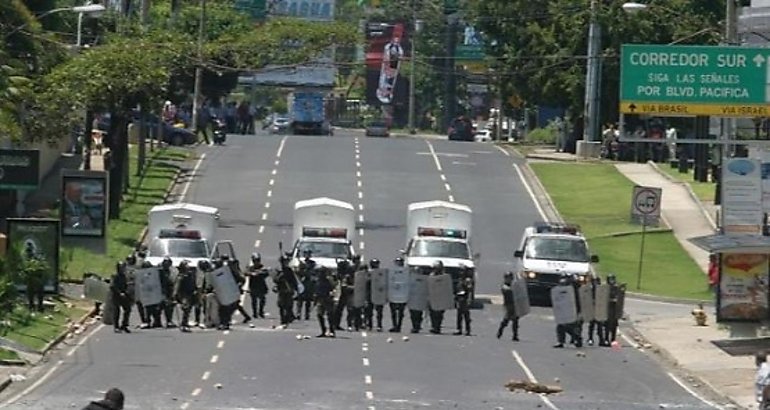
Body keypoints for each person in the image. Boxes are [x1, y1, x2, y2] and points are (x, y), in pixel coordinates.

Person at [174, 260, 198, 332]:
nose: (188, 267)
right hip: (183, 294)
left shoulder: (191, 275)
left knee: (188, 309)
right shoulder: (180, 276)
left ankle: (185, 323)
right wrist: (175, 295)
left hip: (190, 294)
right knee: (186, 308)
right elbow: (177, 286)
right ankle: (184, 324)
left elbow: (194, 283)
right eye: (186, 265)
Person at [273, 256, 297, 327]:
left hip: (288, 290)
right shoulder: (279, 271)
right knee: (281, 305)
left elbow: (293, 280)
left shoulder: (289, 271)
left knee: (288, 306)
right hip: (281, 290)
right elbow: (275, 279)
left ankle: (288, 318)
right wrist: (280, 277)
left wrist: (295, 289)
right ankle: (282, 319)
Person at [314, 266, 337, 338]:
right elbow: (316, 291)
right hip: (320, 299)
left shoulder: (328, 280)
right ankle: (323, 330)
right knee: (319, 315)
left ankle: (332, 331)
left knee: (330, 316)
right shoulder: (318, 281)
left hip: (327, 299)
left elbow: (334, 287)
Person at [110, 262, 132, 333]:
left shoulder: (124, 276)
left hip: (123, 295)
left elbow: (125, 285)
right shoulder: (115, 276)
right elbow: (112, 286)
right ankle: (116, 327)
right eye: (122, 268)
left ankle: (124, 325)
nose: (123, 269)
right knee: (117, 310)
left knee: (128, 309)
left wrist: (126, 292)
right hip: (116, 296)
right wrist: (119, 292)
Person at [497, 272, 519, 341]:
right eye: (508, 278)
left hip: (514, 304)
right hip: (508, 305)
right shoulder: (505, 286)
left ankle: (515, 335)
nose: (509, 280)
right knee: (506, 319)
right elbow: (507, 290)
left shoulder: (513, 285)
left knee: (515, 320)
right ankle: (500, 331)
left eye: (510, 278)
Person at [364, 259, 385, 331]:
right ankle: (369, 324)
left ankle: (379, 325)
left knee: (379, 311)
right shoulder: (368, 273)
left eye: (376, 264)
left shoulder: (381, 272)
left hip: (378, 293)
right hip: (370, 293)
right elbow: (365, 282)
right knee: (369, 311)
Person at [247, 253, 269, 319]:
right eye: (255, 260)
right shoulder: (251, 268)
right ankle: (254, 313)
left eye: (257, 260)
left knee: (262, 299)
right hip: (253, 286)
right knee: (254, 300)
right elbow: (246, 272)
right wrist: (252, 273)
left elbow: (266, 273)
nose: (256, 262)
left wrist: (260, 273)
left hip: (261, 286)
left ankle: (261, 312)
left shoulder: (262, 267)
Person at [388, 257, 407, 333]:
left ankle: (399, 326)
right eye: (397, 262)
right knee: (393, 311)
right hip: (393, 293)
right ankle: (394, 325)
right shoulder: (392, 271)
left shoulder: (406, 271)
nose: (399, 263)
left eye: (400, 262)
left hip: (402, 293)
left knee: (401, 312)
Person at [604, 274, 623, 346]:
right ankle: (606, 338)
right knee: (607, 324)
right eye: (610, 279)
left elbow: (619, 297)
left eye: (612, 279)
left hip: (614, 308)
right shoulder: (605, 288)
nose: (611, 281)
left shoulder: (616, 288)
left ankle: (613, 339)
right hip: (607, 308)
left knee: (614, 324)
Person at [296, 253, 316, 321]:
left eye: (308, 255)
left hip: (309, 284)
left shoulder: (312, 263)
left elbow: (312, 272)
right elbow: (298, 272)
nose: (307, 256)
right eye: (306, 255)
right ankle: (298, 313)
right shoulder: (301, 263)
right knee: (300, 299)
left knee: (308, 300)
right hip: (302, 283)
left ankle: (307, 314)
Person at [586, 277, 605, 346]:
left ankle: (601, 339)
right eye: (594, 282)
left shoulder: (601, 290)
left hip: (599, 309)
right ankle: (590, 338)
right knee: (592, 325)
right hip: (592, 309)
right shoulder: (590, 290)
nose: (596, 284)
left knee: (599, 325)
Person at [454, 268, 473, 336]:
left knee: (466, 315)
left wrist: (469, 299)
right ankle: (459, 329)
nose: (461, 273)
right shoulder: (460, 280)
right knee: (459, 315)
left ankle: (467, 330)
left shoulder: (467, 280)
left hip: (465, 299)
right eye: (460, 271)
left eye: (462, 271)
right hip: (459, 299)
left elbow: (470, 290)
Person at [428, 261, 446, 334]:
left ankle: (437, 327)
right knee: (432, 313)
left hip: (441, 297)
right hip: (433, 296)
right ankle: (434, 326)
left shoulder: (444, 276)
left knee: (439, 313)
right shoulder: (431, 275)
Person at [159, 257, 177, 328]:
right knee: (159, 307)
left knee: (169, 306)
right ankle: (157, 321)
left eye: (168, 263)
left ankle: (169, 320)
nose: (166, 264)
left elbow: (173, 281)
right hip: (160, 291)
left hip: (169, 291)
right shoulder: (159, 271)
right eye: (165, 263)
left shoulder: (172, 271)